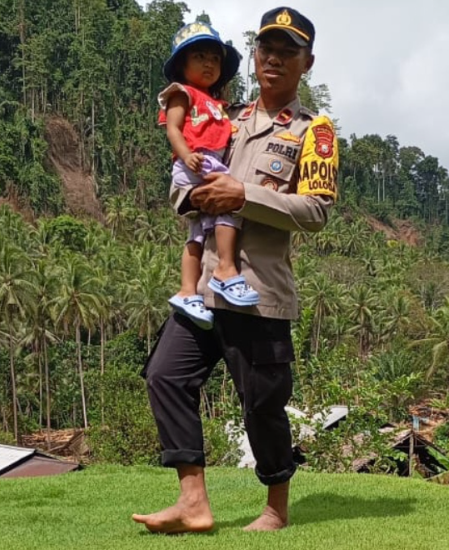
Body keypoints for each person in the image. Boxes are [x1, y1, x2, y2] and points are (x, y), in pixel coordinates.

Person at [132, 6, 338, 533]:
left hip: (259, 293)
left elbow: (316, 212)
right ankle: (193, 502)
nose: (274, 59)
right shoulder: (226, 117)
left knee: (262, 404)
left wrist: (242, 195)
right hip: (204, 290)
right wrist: (195, 194)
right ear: (254, 54)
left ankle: (276, 508)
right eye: (267, 49)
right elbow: (183, 182)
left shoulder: (313, 132)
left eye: (288, 52)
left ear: (307, 63)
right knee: (165, 375)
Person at [159, 22, 260, 331]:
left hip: (205, 162)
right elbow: (173, 128)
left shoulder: (217, 104)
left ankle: (187, 291)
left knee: (198, 234)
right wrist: (186, 154)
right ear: (182, 64)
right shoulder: (182, 93)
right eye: (200, 57)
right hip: (198, 162)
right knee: (230, 203)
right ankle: (225, 270)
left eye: (215, 59)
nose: (209, 64)